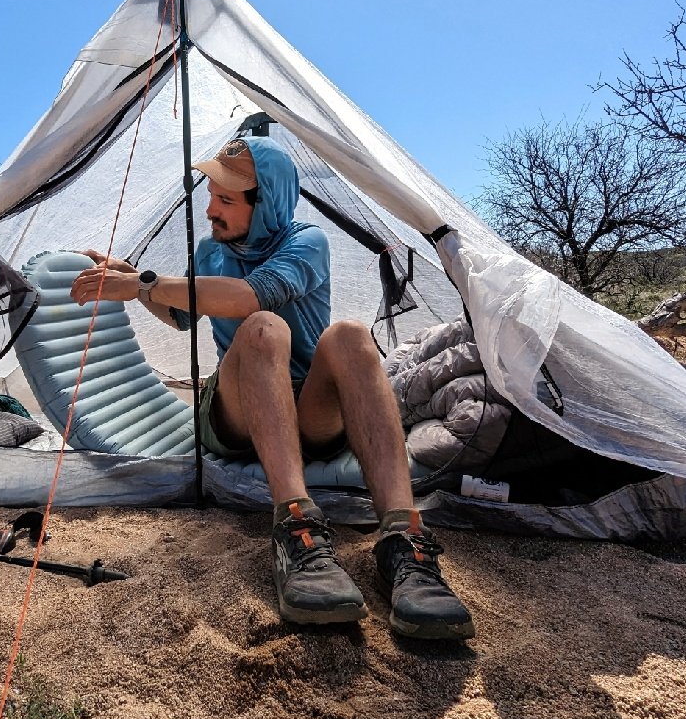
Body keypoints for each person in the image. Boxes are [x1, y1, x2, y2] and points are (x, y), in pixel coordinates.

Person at [70, 135, 474, 639]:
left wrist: (146, 283)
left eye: (226, 199)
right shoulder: (210, 252)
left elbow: (250, 295)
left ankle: (403, 539)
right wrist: (137, 281)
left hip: (310, 411)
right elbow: (178, 313)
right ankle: (297, 531)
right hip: (235, 413)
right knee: (264, 330)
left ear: (267, 206)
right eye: (211, 194)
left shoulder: (306, 242)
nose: (211, 209)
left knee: (347, 335)